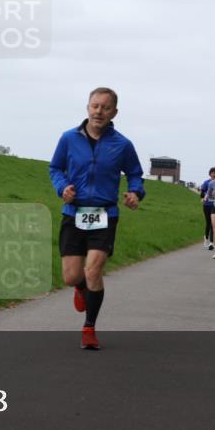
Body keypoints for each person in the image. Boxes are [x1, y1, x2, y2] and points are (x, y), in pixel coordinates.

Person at [49, 87, 144, 350]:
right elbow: (55, 168)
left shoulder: (122, 144)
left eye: (105, 107)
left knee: (93, 271)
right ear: (88, 107)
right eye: (95, 106)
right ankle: (81, 288)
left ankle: (89, 328)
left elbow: (135, 174)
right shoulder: (69, 138)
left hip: (105, 215)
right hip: (74, 212)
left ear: (114, 112)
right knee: (72, 277)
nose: (99, 111)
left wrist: (135, 192)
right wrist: (62, 188)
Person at [199, 167, 215, 249]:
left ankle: (211, 243)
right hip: (206, 205)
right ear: (210, 174)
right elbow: (202, 193)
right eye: (212, 173)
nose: (214, 174)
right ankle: (206, 238)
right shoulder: (206, 182)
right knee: (208, 223)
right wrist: (203, 198)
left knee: (213, 223)